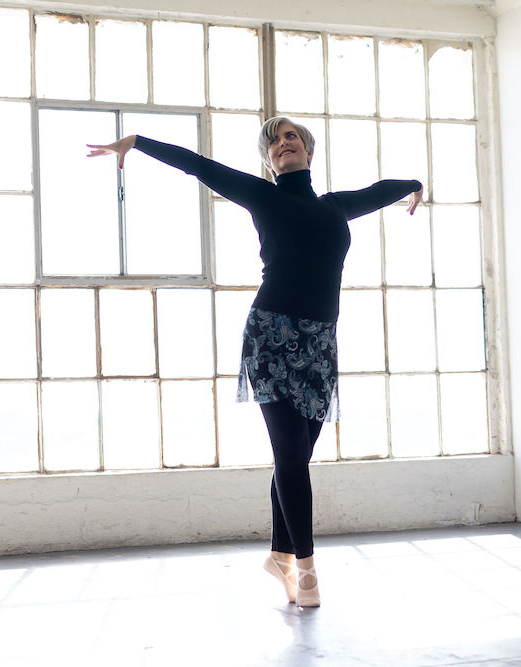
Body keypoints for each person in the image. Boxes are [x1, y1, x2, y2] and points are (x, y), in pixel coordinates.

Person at [87, 117, 422, 607]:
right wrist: (137, 142)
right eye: (273, 142)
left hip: (319, 344)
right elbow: (198, 165)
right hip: (271, 336)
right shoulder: (262, 196)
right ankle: (306, 568)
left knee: (296, 456)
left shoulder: (335, 207)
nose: (282, 143)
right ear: (268, 161)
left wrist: (415, 185)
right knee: (290, 454)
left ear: (308, 151)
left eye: (291, 137)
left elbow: (382, 190)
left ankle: (279, 555)